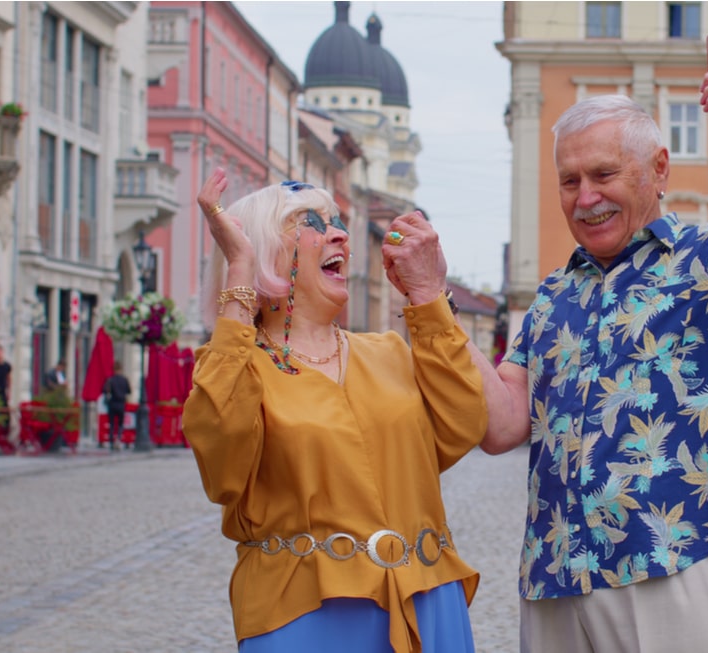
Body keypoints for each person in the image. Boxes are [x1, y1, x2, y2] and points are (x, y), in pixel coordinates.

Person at [472, 41, 708, 653]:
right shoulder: (550, 296)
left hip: (674, 563)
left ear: (659, 171)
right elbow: (502, 427)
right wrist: (433, 304)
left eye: (604, 174)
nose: (584, 197)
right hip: (556, 574)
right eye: (569, 180)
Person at [182, 168, 487, 653]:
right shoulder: (236, 369)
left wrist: (427, 295)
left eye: (337, 221)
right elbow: (222, 471)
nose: (340, 233)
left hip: (426, 598)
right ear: (266, 250)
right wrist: (239, 272)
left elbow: (464, 424)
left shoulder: (388, 352)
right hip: (304, 612)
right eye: (312, 222)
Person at [102, 362, 132, 451]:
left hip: (112, 403)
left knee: (111, 423)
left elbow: (104, 390)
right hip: (121, 403)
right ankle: (118, 439)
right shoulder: (124, 379)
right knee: (120, 424)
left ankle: (111, 441)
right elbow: (129, 391)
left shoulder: (110, 380)